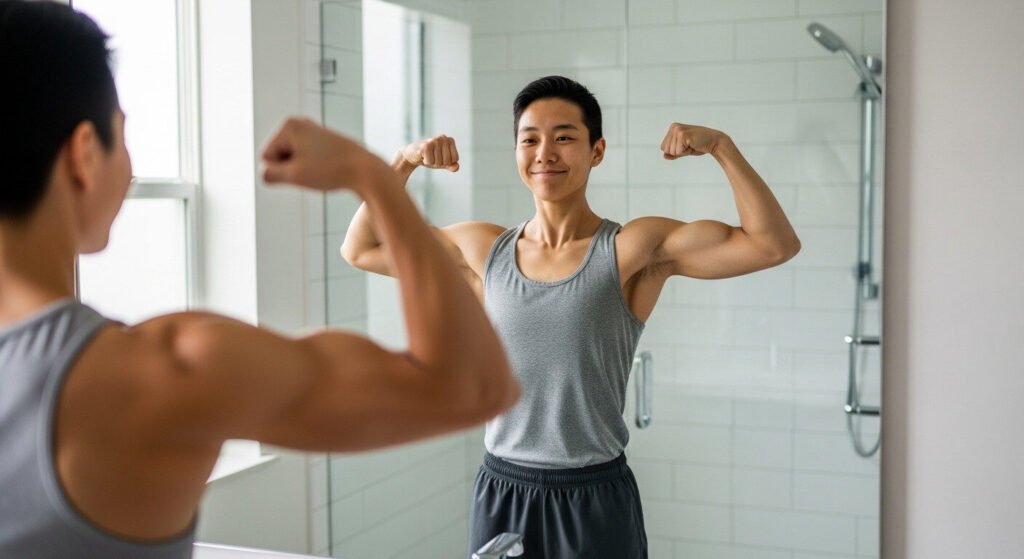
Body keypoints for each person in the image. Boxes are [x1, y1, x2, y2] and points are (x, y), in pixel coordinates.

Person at [0, 2, 518, 558]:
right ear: (84, 154)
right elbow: (474, 387)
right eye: (122, 136)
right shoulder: (163, 373)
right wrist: (371, 175)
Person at [342, 75, 802, 558]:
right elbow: (361, 249)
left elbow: (773, 245)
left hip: (592, 497)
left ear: (596, 151)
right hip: (502, 488)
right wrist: (404, 162)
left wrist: (722, 148)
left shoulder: (631, 249)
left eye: (564, 137)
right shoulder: (482, 251)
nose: (545, 152)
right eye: (530, 139)